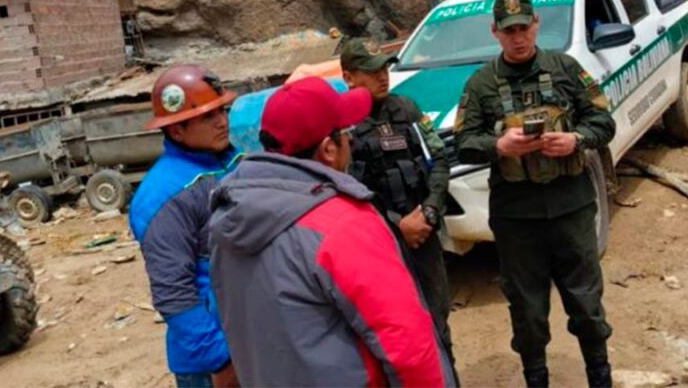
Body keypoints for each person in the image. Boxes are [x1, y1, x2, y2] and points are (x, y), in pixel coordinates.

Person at [208, 77, 457, 387]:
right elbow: (408, 349)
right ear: (328, 149)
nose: (351, 142)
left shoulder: (228, 220)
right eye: (346, 133)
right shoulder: (343, 224)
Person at [454, 0, 616, 388]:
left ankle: (600, 377)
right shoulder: (481, 84)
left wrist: (576, 139)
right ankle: (536, 379)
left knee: (586, 304)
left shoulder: (565, 68)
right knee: (527, 310)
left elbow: (603, 122)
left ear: (536, 24)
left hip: (571, 207)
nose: (518, 37)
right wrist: (498, 146)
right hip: (516, 217)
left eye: (524, 27)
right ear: (495, 32)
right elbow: (463, 143)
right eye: (509, 31)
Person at [340, 37, 456, 362]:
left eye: (385, 68)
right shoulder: (340, 124)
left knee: (438, 320)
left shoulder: (407, 109)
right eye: (372, 70)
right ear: (349, 76)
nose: (382, 76)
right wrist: (396, 226)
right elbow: (344, 190)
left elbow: (438, 159)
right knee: (394, 333)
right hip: (378, 245)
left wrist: (431, 210)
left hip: (424, 235)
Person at [129, 65, 242, 388]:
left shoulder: (232, 163)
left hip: (247, 339)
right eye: (208, 116)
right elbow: (173, 292)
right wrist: (219, 360)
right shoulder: (162, 196)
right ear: (176, 130)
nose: (222, 121)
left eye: (222, 110)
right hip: (213, 362)